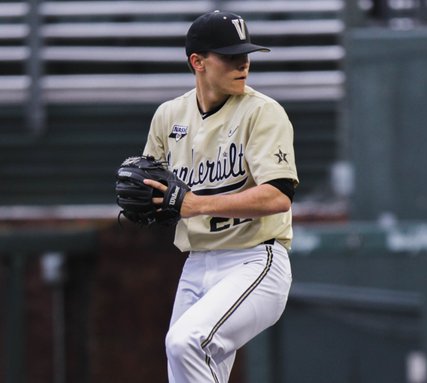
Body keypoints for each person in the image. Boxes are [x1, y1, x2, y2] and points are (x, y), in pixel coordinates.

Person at [141, 10, 299, 382]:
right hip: (197, 263)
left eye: (245, 54)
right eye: (229, 55)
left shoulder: (263, 112)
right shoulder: (169, 116)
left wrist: (196, 204)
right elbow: (151, 186)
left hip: (254, 260)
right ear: (197, 62)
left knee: (185, 342)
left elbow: (278, 195)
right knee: (185, 362)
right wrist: (145, 203)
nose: (243, 63)